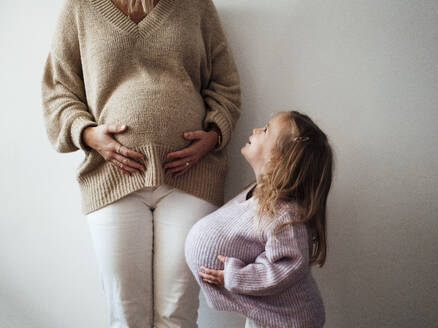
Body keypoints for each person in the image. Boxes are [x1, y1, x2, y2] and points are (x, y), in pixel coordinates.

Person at [40, 0, 241, 327]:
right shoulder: (80, 8)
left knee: (177, 313)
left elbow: (226, 85)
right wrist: (90, 135)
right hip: (111, 178)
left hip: (191, 178)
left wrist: (214, 135)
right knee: (126, 315)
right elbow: (57, 92)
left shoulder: (197, 6)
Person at [184, 110, 334, 328]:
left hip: (288, 321)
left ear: (276, 159)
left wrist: (234, 277)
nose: (256, 130)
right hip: (265, 314)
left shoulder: (285, 215)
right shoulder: (258, 193)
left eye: (265, 130)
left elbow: (287, 267)